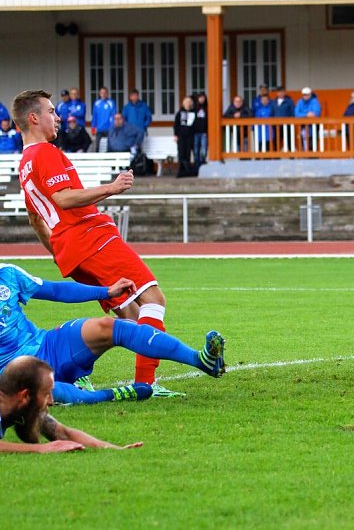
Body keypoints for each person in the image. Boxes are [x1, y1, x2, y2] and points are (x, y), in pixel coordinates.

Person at [13, 89, 184, 397]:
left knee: (130, 316)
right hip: (93, 238)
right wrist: (112, 187)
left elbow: (35, 219)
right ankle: (146, 384)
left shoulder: (24, 165)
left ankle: (70, 375)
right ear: (33, 118)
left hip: (73, 251)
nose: (58, 117)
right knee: (154, 301)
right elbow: (63, 198)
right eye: (51, 111)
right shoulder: (45, 153)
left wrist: (59, 252)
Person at [0, 263, 226, 406]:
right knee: (50, 391)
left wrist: (106, 291)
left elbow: (55, 290)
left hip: (47, 345)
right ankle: (115, 394)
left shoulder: (8, 274)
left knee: (110, 326)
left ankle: (201, 360)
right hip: (12, 373)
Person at [0, 356, 144, 453]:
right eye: (46, 394)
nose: (51, 400)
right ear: (24, 395)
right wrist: (41, 448)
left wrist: (115, 449)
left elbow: (64, 433)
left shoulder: (23, 405)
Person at [174, 96, 197, 177]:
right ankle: (181, 171)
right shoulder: (179, 113)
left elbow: (195, 125)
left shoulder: (194, 112)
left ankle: (187, 171)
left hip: (190, 136)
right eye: (186, 102)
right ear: (184, 103)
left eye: (189, 102)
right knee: (181, 153)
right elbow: (176, 125)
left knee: (188, 153)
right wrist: (176, 135)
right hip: (181, 136)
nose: (188, 104)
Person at [295, 87, 321, 151]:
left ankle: (313, 157)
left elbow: (316, 113)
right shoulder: (300, 102)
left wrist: (303, 114)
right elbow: (296, 114)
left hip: (313, 126)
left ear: (310, 94)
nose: (305, 96)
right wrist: (306, 114)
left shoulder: (315, 101)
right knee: (303, 143)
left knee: (313, 143)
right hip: (303, 126)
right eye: (304, 94)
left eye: (307, 94)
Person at [90, 87, 116, 152]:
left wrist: (112, 126)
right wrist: (93, 127)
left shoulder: (111, 102)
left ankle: (109, 159)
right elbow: (94, 116)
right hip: (99, 128)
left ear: (107, 94)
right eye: (102, 93)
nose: (103, 94)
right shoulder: (97, 103)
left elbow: (113, 115)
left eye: (105, 93)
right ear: (99, 94)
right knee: (97, 145)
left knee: (110, 144)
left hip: (109, 128)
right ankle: (97, 159)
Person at [193, 92, 209, 168]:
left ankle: (202, 163)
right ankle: (196, 164)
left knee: (204, 149)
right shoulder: (194, 108)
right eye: (200, 98)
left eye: (203, 98)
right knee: (196, 150)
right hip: (195, 132)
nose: (201, 99)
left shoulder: (207, 108)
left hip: (204, 132)